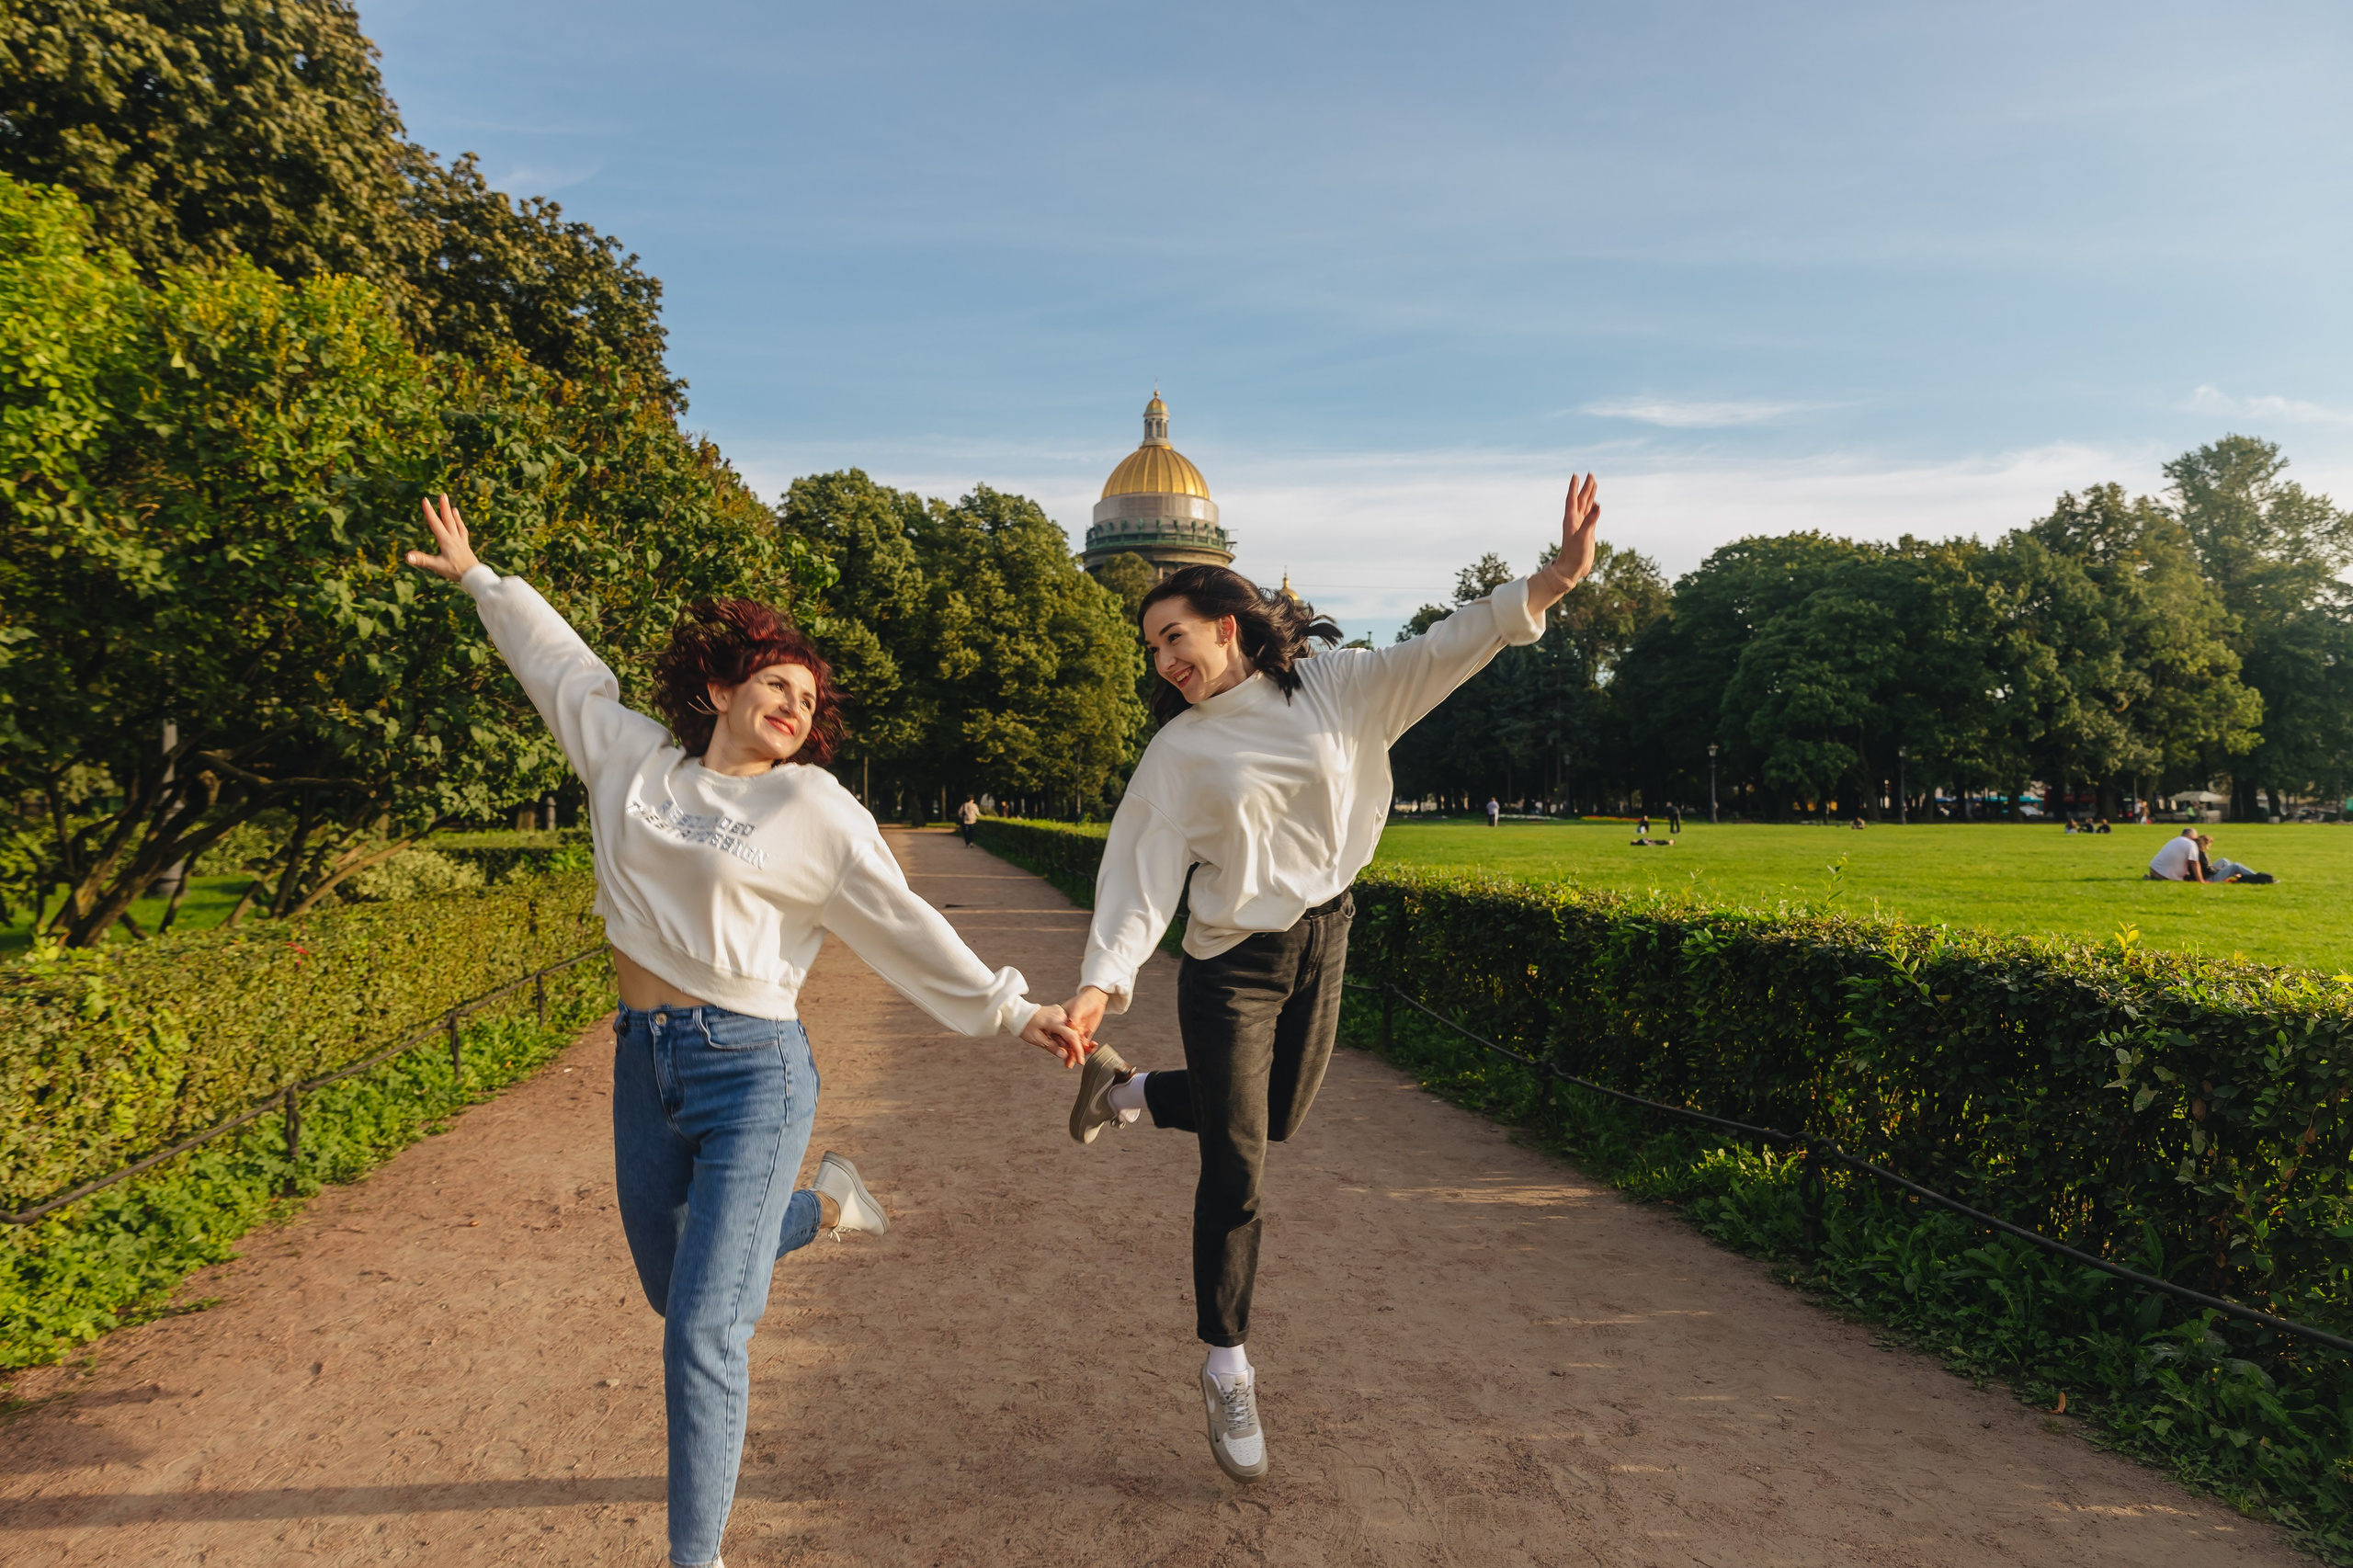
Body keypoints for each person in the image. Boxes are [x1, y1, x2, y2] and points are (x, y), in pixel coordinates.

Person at [404, 496, 1083, 1568]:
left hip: (753, 1073)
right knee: (670, 1286)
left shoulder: (814, 809)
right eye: (776, 683)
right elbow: (564, 673)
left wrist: (1013, 1006)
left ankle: (697, 1556)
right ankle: (820, 1207)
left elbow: (902, 921)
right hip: (643, 1061)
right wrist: (485, 581)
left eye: (808, 699)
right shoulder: (634, 763)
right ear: (720, 689)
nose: (794, 705)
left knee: (704, 1328)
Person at [1057, 475, 1605, 1483]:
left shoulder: (1336, 687)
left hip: (1327, 936)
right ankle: (1226, 1362)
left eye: (1174, 636)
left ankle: (1127, 1093)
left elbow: (1443, 647)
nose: (1164, 661)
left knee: (1276, 1118)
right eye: (1152, 649)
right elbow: (1137, 877)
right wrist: (1100, 984)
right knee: (1237, 1168)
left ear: (1226, 624)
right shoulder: (1177, 752)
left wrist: (1551, 583)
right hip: (1231, 963)